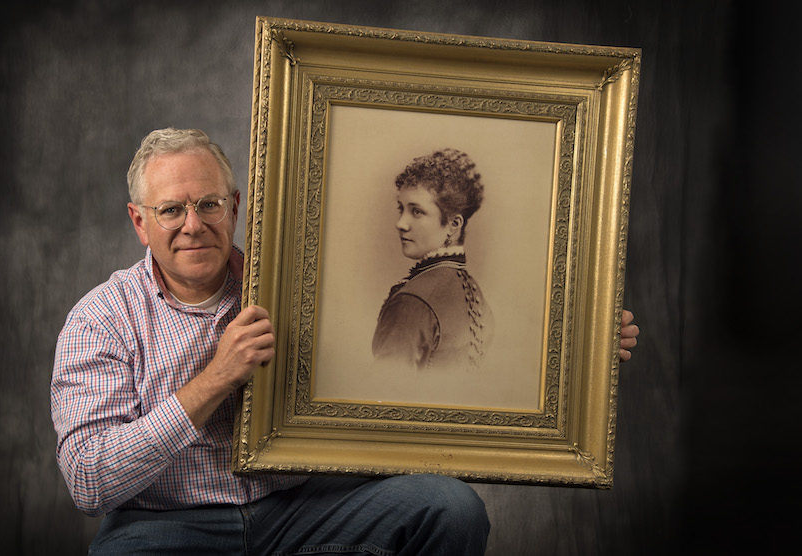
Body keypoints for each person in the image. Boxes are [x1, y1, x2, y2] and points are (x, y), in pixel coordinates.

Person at [51, 128, 639, 555]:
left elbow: (430, 369)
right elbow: (89, 479)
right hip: (167, 524)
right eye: (171, 209)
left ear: (233, 206)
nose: (192, 224)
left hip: (300, 510)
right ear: (139, 221)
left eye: (207, 204)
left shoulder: (300, 288)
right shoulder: (101, 319)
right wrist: (213, 380)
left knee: (448, 507)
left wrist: (572, 348)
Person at [372, 148, 492, 371]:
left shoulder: (411, 302)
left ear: (453, 225)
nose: (401, 223)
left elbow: (385, 392)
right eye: (402, 209)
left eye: (416, 211)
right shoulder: (474, 293)